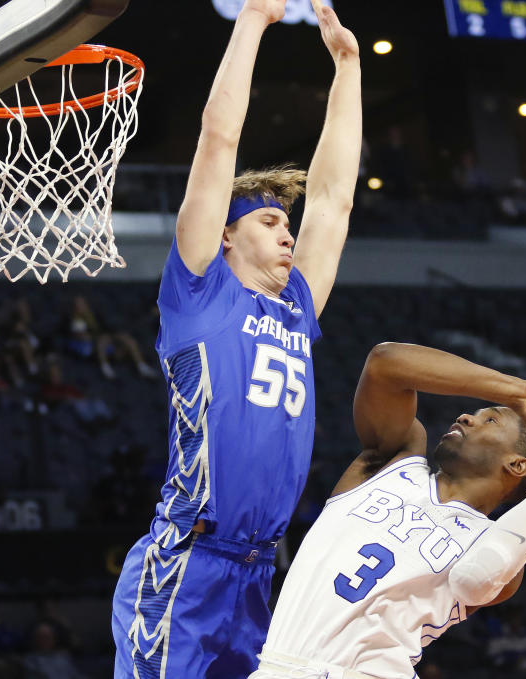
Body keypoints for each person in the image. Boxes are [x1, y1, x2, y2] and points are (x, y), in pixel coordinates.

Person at [111, 0, 362, 677]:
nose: (289, 233)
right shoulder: (200, 293)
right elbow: (218, 140)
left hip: (257, 573)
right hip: (187, 562)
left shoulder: (298, 306)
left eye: (289, 224)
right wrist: (251, 21)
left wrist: (348, 67)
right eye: (272, 220)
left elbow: (335, 198)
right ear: (226, 235)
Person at [248, 342, 526, 678]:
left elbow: (478, 574)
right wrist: (517, 393)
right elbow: (386, 363)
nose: (465, 416)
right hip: (275, 666)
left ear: (517, 465)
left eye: (488, 419)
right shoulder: (391, 462)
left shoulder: (498, 552)